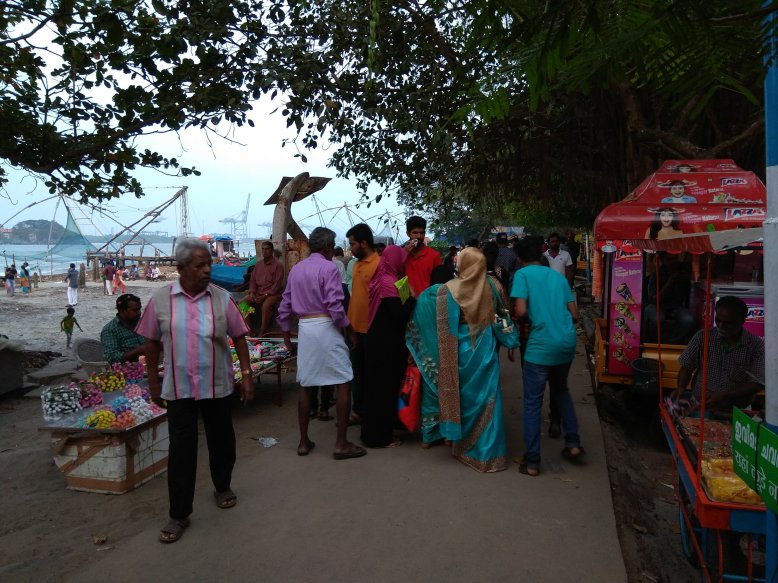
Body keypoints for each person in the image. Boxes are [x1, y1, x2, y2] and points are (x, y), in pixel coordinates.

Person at [136, 238, 254, 544]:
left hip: (217, 384)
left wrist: (247, 375)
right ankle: (179, 514)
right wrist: (152, 381)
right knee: (181, 452)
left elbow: (240, 336)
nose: (207, 270)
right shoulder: (161, 300)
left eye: (209, 264)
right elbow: (151, 342)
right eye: (200, 265)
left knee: (222, 440)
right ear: (181, 268)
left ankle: (222, 486)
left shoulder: (221, 298)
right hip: (180, 388)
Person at [406, 248, 510, 471]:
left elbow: (444, 328)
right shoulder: (493, 285)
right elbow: (502, 316)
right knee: (489, 398)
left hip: (460, 349)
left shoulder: (449, 289)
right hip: (485, 346)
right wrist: (511, 340)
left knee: (465, 398)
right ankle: (491, 454)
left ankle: (465, 445)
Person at [278, 226, 366, 461]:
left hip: (306, 329)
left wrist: (286, 336)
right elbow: (335, 306)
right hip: (326, 326)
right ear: (328, 247)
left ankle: (303, 442)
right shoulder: (329, 268)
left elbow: (285, 305)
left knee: (306, 383)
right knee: (343, 381)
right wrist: (350, 331)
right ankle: (341, 443)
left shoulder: (296, 270)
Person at [511, 236, 585, 477]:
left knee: (533, 402)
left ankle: (532, 461)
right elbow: (574, 314)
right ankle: (573, 444)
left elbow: (521, 310)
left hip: (541, 344)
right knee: (561, 390)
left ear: (519, 257)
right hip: (566, 342)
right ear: (541, 254)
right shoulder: (558, 277)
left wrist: (533, 317)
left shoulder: (522, 275)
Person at [672, 296, 765, 413]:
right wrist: (681, 387)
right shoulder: (702, 337)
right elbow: (687, 366)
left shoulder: (756, 345)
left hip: (736, 410)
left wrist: (725, 395)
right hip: (699, 405)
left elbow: (757, 383)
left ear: (742, 321)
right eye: (718, 320)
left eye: (728, 323)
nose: (721, 326)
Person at [361, 245, 414, 448]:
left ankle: (378, 431)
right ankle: (380, 436)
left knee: (379, 387)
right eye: (402, 261)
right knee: (383, 388)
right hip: (385, 344)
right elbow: (398, 314)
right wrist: (412, 299)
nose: (403, 264)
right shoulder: (388, 283)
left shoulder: (384, 279)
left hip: (381, 340)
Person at [345, 223, 381, 426]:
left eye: (352, 244)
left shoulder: (379, 264)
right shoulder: (356, 265)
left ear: (364, 243)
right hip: (354, 330)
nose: (350, 248)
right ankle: (358, 410)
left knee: (372, 374)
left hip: (372, 330)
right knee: (357, 372)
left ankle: (372, 414)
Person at [643, 252, 695, 344]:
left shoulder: (681, 273)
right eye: (669, 259)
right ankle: (653, 342)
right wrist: (670, 282)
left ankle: (673, 342)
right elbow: (655, 299)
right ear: (663, 260)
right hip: (655, 305)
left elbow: (686, 296)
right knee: (657, 319)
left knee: (688, 320)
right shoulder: (656, 274)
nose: (672, 262)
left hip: (675, 306)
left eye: (675, 259)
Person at [247, 241, 284, 337]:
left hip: (273, 294)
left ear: (271, 250)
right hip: (258, 293)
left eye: (267, 249)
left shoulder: (278, 266)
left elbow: (277, 286)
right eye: (263, 249)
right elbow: (252, 281)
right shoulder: (258, 265)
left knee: (266, 305)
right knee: (243, 303)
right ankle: (248, 329)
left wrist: (265, 296)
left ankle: (262, 330)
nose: (264, 251)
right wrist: (252, 293)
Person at [100, 293, 147, 363]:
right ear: (122, 311)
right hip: (127, 368)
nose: (139, 312)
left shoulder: (143, 323)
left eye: (139, 309)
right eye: (135, 310)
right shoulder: (110, 330)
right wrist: (140, 350)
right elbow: (112, 358)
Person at [403, 216, 442, 298]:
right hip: (406, 302)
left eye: (422, 233)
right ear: (408, 233)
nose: (419, 236)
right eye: (415, 233)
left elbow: (440, 285)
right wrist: (403, 255)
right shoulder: (401, 255)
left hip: (427, 303)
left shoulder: (434, 255)